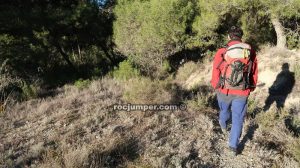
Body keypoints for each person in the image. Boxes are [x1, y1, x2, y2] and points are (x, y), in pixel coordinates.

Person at [210, 26, 258, 156]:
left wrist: (215, 85)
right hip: (242, 91)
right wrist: (251, 87)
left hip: (224, 90)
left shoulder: (222, 51)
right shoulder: (249, 51)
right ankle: (233, 147)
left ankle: (224, 126)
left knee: (224, 110)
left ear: (228, 37)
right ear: (241, 37)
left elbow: (216, 70)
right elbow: (253, 71)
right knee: (238, 118)